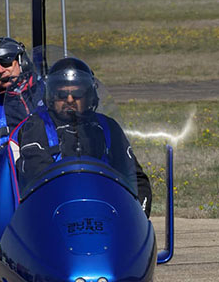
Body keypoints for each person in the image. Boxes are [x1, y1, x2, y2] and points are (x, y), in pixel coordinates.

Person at [9, 57, 152, 216]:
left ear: (89, 96)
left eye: (77, 94)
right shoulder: (37, 126)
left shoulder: (107, 127)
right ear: (51, 96)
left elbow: (135, 179)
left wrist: (137, 216)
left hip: (105, 214)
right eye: (62, 94)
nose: (69, 100)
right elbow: (36, 173)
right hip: (55, 215)